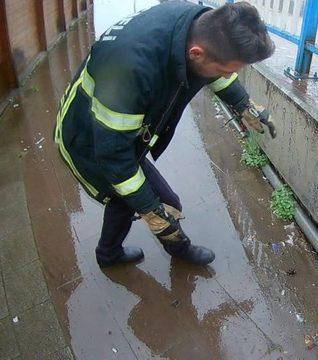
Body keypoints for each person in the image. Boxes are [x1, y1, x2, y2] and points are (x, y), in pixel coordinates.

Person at [53, 1, 275, 267]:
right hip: (87, 140)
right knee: (148, 198)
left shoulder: (199, 25)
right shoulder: (130, 70)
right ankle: (175, 248)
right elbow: (115, 160)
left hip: (120, 130)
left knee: (131, 196)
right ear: (196, 53)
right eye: (226, 70)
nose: (228, 76)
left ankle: (108, 253)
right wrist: (150, 209)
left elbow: (214, 73)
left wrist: (241, 103)